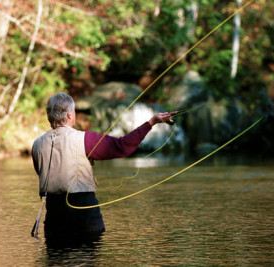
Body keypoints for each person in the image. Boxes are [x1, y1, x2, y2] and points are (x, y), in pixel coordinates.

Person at [32, 92, 172, 238]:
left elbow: (40, 172)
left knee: (57, 260)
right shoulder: (85, 139)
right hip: (84, 217)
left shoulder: (37, 144)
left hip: (54, 220)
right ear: (69, 116)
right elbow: (122, 146)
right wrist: (151, 123)